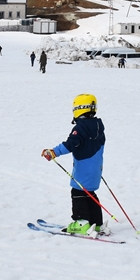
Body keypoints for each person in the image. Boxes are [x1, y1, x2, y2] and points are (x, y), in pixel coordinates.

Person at [41, 93, 108, 236]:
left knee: (77, 192)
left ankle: (81, 222)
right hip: (96, 169)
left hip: (83, 168)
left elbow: (71, 144)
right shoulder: (99, 126)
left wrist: (53, 152)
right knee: (90, 193)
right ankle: (97, 224)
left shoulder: (81, 128)